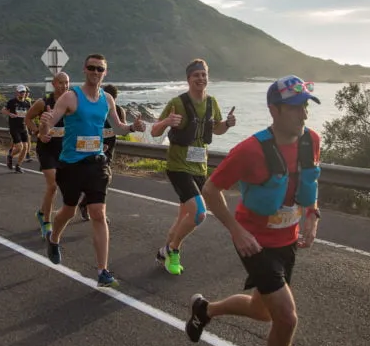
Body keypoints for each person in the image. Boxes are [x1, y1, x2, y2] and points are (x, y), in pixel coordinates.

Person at [186, 75, 321, 346]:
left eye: (306, 106)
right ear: (274, 110)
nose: (303, 114)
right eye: (295, 108)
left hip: (287, 240)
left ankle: (205, 310)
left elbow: (310, 182)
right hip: (254, 242)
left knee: (263, 311)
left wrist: (312, 215)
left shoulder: (311, 141)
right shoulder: (249, 150)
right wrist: (236, 230)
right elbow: (210, 189)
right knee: (286, 318)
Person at [40, 54, 146, 287]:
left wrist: (132, 127)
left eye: (100, 69)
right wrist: (45, 124)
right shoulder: (70, 96)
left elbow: (118, 127)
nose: (96, 72)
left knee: (98, 212)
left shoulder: (107, 99)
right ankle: (54, 238)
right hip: (71, 164)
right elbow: (49, 125)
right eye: (92, 68)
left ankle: (102, 271)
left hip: (96, 163)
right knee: (69, 210)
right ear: (84, 69)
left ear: (105, 73)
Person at [149, 59, 236, 274]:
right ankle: (174, 250)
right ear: (188, 79)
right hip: (178, 166)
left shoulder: (212, 102)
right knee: (199, 214)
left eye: (204, 75)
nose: (201, 78)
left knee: (183, 217)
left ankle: (163, 251)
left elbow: (216, 129)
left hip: (199, 167)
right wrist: (167, 122)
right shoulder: (177, 102)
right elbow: (154, 131)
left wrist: (227, 124)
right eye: (196, 75)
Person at [26, 72, 70, 237]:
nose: (64, 86)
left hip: (64, 149)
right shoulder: (43, 103)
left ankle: (41, 212)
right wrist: (38, 133)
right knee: (52, 186)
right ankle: (46, 222)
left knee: (62, 186)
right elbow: (28, 119)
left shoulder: (71, 102)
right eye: (61, 82)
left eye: (67, 83)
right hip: (46, 149)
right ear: (53, 83)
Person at [79, 83, 130, 222]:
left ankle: (85, 203)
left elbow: (123, 129)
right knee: (103, 178)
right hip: (94, 148)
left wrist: (132, 127)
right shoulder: (96, 109)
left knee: (103, 179)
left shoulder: (118, 110)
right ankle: (98, 211)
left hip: (110, 148)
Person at [4, 85, 32, 173]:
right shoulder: (12, 102)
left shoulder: (27, 103)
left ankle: (18, 166)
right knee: (20, 147)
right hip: (14, 127)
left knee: (25, 148)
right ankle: (10, 156)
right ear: (17, 92)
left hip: (23, 127)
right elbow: (3, 110)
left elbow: (30, 114)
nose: (22, 93)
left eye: (23, 92)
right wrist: (10, 114)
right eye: (21, 92)